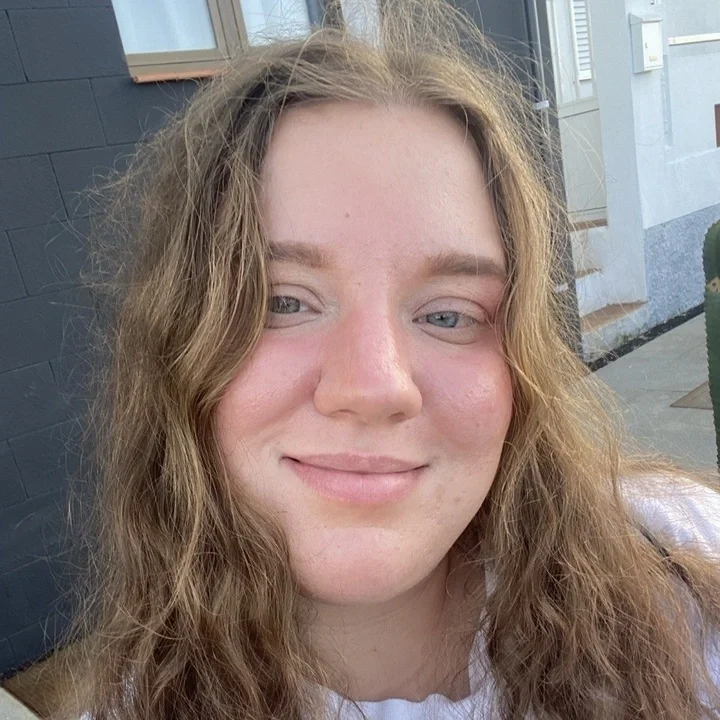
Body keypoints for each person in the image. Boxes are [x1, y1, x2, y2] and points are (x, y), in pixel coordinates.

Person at [64, 0, 720, 718]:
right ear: (179, 340)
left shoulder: (684, 573)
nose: (375, 386)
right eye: (283, 301)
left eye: (448, 314)